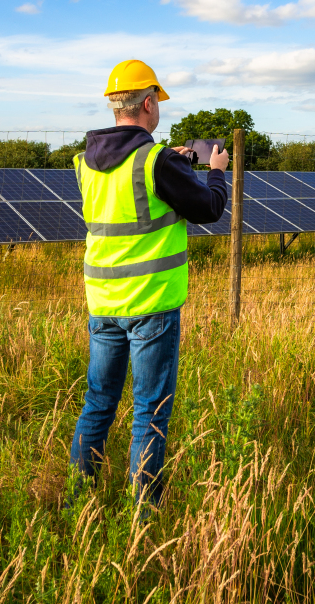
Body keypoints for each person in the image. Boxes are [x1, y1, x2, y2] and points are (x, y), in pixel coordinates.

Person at [68, 58, 229, 506]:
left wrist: (173, 165)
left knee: (98, 404)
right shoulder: (154, 161)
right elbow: (209, 208)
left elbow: (130, 201)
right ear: (147, 101)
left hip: (103, 304)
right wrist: (215, 170)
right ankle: (144, 515)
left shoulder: (85, 162)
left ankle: (77, 502)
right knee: (149, 412)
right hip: (151, 306)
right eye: (157, 99)